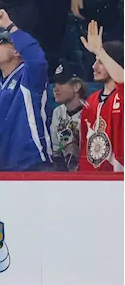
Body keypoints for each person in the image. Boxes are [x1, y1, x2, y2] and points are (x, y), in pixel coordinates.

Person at [0, 9, 52, 171]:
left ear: (18, 50)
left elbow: (37, 59)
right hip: (3, 172)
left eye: (1, 41)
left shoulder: (29, 78)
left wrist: (9, 25)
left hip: (34, 167)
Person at [78, 20, 125, 172]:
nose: (94, 66)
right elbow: (85, 145)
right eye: (95, 61)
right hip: (91, 182)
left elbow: (122, 80)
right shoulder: (91, 100)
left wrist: (101, 52)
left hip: (118, 181)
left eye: (100, 62)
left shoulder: (121, 95)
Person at [50, 61, 87, 172]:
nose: (55, 88)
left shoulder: (92, 110)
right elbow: (56, 151)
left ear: (76, 86)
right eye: (54, 83)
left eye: (61, 83)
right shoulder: (57, 112)